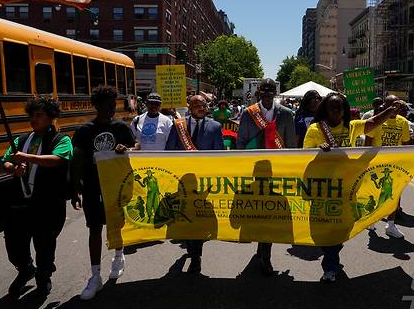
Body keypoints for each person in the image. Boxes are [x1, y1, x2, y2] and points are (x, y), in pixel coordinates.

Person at [303, 92, 401, 282]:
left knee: (342, 227)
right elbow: (304, 156)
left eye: (339, 108)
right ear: (325, 109)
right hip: (323, 188)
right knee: (321, 229)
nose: (336, 112)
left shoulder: (352, 126)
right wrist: (318, 151)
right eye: (332, 107)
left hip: (346, 187)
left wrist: (390, 111)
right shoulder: (316, 129)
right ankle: (331, 263)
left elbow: (373, 123)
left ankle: (332, 256)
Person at [2, 96, 73, 297]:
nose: (34, 119)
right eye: (32, 115)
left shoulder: (61, 140)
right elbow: (6, 160)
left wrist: (27, 158)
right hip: (19, 202)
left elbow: (57, 160)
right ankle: (25, 269)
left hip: (47, 203)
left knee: (44, 242)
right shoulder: (21, 140)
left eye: (39, 115)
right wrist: (13, 168)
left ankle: (43, 274)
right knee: (14, 243)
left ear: (51, 117)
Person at [71, 86, 136, 300]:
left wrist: (126, 149)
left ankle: (119, 255)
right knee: (94, 228)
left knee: (116, 223)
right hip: (92, 186)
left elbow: (136, 147)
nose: (111, 109)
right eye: (106, 105)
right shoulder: (84, 131)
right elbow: (77, 160)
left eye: (113, 105)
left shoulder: (120, 127)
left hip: (116, 185)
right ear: (96, 105)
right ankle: (95, 275)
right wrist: (74, 188)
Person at [237, 78, 297, 276]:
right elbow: (242, 141)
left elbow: (290, 144)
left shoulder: (287, 114)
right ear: (259, 93)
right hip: (255, 171)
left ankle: (266, 255)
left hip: (276, 171)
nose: (268, 93)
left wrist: (289, 169)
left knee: (270, 212)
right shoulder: (248, 113)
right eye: (264, 90)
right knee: (258, 210)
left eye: (271, 90)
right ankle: (261, 248)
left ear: (275, 93)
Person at [165, 95, 224, 273]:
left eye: (203, 105)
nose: (200, 107)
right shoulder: (178, 126)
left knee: (197, 217)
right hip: (182, 180)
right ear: (189, 107)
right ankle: (191, 248)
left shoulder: (215, 127)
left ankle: (196, 257)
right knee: (186, 216)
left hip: (203, 181)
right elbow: (169, 150)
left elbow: (219, 155)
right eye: (196, 105)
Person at [365, 94, 412, 238]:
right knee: (375, 194)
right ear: (385, 106)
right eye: (392, 104)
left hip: (395, 166)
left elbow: (405, 144)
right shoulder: (376, 121)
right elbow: (368, 142)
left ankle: (390, 225)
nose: (396, 107)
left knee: (394, 195)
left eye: (398, 104)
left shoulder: (403, 122)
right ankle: (371, 220)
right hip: (376, 165)